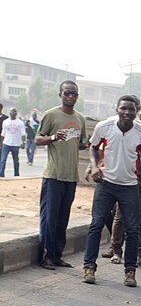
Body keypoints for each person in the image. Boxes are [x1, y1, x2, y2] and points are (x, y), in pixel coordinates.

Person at [81, 96, 141, 287]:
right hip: (106, 183)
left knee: (132, 229)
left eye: (131, 109)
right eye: (124, 109)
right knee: (96, 224)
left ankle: (130, 271)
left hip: (130, 186)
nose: (127, 113)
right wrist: (94, 166)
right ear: (117, 109)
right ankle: (89, 266)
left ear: (137, 111)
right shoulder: (104, 127)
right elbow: (93, 147)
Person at [35, 81, 90, 269]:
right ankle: (46, 256)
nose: (71, 96)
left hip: (71, 176)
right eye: (67, 93)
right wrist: (53, 137)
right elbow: (37, 139)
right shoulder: (51, 115)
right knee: (49, 217)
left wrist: (86, 145)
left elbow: (81, 143)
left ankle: (57, 255)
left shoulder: (80, 118)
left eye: (74, 93)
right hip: (53, 175)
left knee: (63, 217)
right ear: (60, 94)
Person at [107, 105, 141, 268]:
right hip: (126, 180)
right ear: (140, 115)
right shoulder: (130, 130)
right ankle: (116, 250)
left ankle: (140, 255)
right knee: (120, 217)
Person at [0, 108, 27, 177]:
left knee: (15, 160)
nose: (13, 113)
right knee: (3, 159)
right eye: (11, 111)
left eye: (14, 111)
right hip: (6, 143)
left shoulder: (20, 122)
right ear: (9, 113)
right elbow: (3, 133)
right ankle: (1, 173)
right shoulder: (5, 122)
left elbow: (23, 133)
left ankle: (16, 173)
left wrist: (23, 142)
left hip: (16, 144)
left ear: (16, 113)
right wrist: (1, 143)